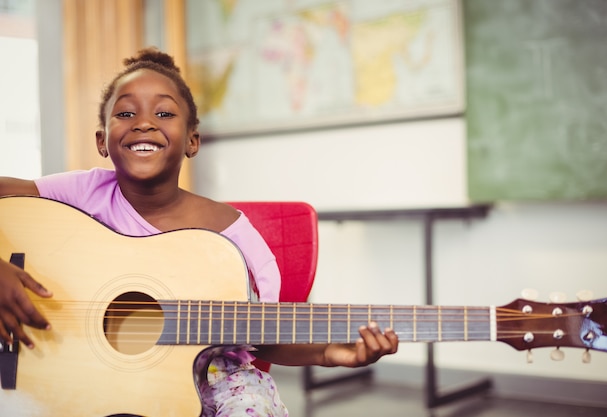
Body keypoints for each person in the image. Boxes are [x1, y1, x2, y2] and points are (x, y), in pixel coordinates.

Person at [0, 47, 399, 416]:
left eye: (163, 114)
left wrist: (329, 352)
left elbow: (263, 335)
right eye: (125, 114)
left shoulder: (232, 237)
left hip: (207, 378)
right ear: (102, 141)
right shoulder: (81, 192)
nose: (143, 123)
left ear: (192, 140)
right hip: (75, 367)